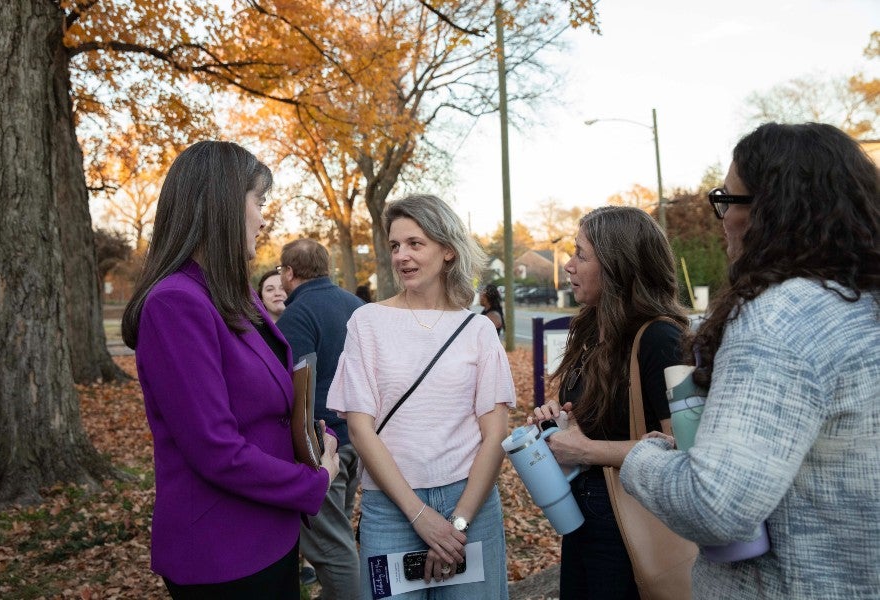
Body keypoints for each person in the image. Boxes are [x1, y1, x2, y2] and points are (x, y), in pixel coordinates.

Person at [620, 122, 880, 599]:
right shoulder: (860, 304)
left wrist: (643, 459)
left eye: (728, 200)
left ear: (774, 211)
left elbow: (716, 504)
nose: (722, 218)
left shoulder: (780, 319)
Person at [120, 140, 340, 599]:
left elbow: (266, 408)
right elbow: (215, 448)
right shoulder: (175, 303)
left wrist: (313, 442)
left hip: (270, 535)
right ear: (221, 203)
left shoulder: (232, 295)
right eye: (258, 202)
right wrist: (314, 480)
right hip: (222, 552)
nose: (263, 218)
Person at [327, 194, 516, 599]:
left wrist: (457, 523)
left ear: (447, 250)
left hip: (472, 506)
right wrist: (420, 515)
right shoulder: (368, 322)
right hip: (391, 511)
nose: (402, 256)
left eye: (416, 243)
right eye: (395, 246)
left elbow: (495, 431)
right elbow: (360, 429)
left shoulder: (478, 330)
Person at [528, 205, 688, 599]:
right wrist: (560, 425)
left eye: (581, 255)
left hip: (635, 523)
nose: (568, 265)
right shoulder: (590, 331)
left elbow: (686, 451)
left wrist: (585, 450)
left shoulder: (661, 340)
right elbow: (596, 422)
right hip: (585, 520)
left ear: (618, 265)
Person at [275, 238, 364, 599]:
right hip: (359, 440)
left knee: (333, 550)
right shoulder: (357, 306)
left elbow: (299, 388)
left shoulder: (297, 315)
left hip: (324, 446)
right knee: (339, 537)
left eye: (281, 270)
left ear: (289, 272)